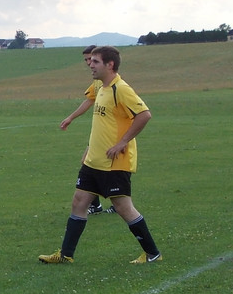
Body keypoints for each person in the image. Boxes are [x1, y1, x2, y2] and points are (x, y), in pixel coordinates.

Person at [39, 46, 162, 265]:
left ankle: (153, 253)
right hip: (94, 161)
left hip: (114, 163)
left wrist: (122, 142)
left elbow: (144, 115)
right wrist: (89, 148)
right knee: (79, 202)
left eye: (95, 61)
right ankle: (66, 255)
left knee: (123, 207)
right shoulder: (101, 88)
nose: (90, 65)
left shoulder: (120, 89)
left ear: (109, 65)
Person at [58, 46, 112, 215]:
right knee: (89, 163)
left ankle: (114, 203)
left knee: (106, 167)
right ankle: (98, 204)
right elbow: (89, 100)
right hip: (99, 134)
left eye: (92, 59)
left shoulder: (111, 83)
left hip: (110, 134)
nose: (89, 63)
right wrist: (71, 117)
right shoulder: (97, 83)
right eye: (87, 60)